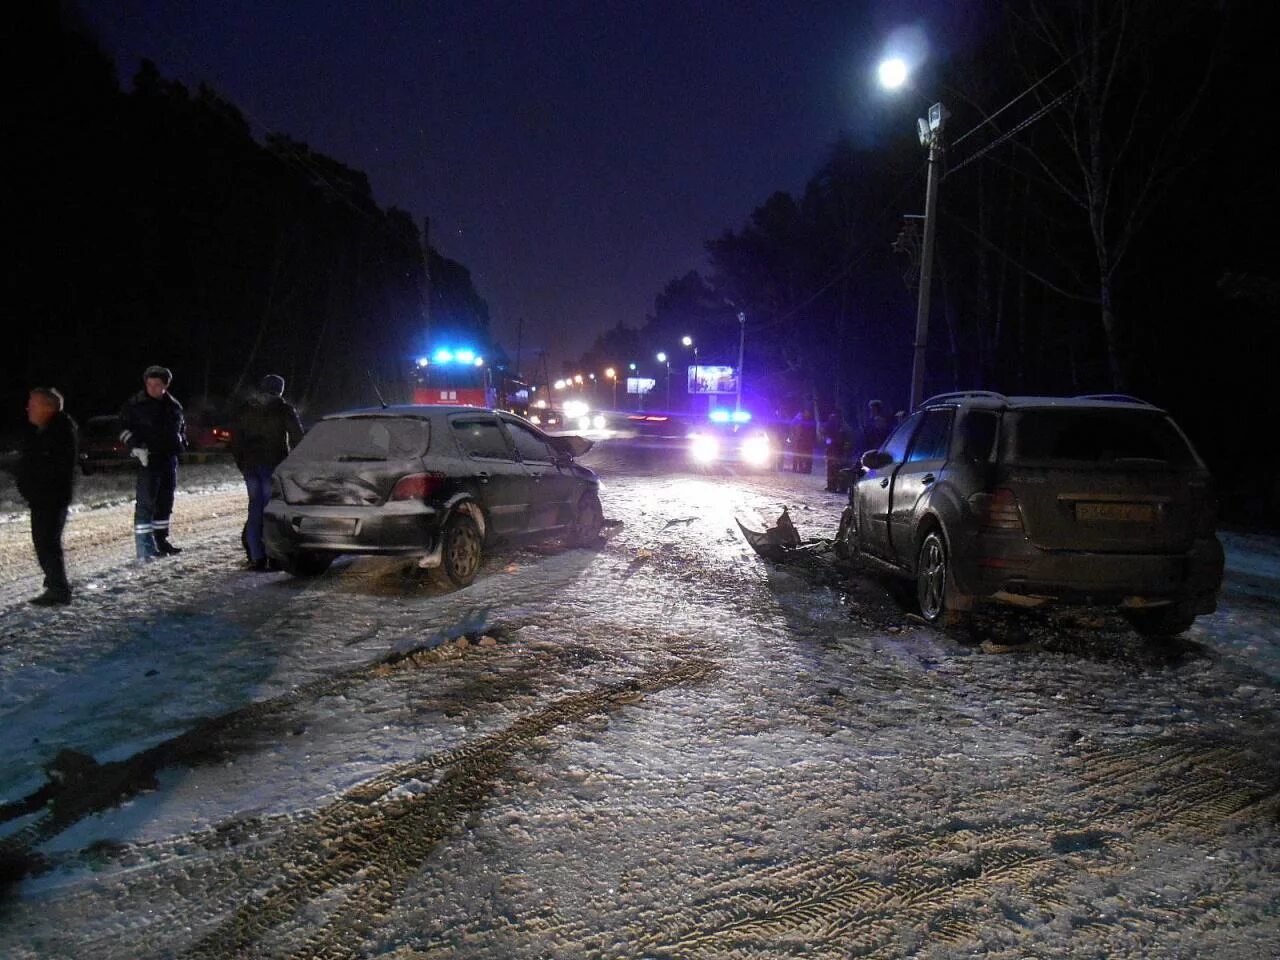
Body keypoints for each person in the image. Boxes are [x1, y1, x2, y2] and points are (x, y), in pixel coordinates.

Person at [231, 374, 304, 571]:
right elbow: (297, 437)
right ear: (280, 390)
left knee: (255, 508)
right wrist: (295, 463)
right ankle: (273, 556)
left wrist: (243, 464)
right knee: (271, 510)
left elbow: (236, 440)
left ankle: (256, 557)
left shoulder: (246, 408)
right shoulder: (283, 409)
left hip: (250, 466)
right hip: (272, 465)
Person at [17, 388, 78, 605]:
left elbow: (51, 467)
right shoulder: (46, 430)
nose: (28, 408)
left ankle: (58, 590)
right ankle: (54, 584)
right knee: (45, 543)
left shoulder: (58, 432)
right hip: (43, 497)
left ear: (48, 407)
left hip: (50, 497)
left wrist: (34, 484)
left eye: (32, 404)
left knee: (47, 543)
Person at [119, 365, 187, 560]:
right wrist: (135, 446)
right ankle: (144, 548)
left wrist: (182, 441)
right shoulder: (135, 405)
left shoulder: (173, 405)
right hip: (148, 458)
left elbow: (181, 428)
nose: (152, 388)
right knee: (146, 504)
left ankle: (161, 541)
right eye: (149, 384)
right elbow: (122, 428)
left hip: (168, 458)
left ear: (165, 385)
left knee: (165, 503)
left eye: (157, 385)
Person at [822, 409, 852, 492]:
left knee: (838, 468)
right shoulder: (836, 424)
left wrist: (846, 447)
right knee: (833, 468)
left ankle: (839, 487)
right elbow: (825, 433)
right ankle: (833, 486)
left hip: (839, 450)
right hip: (834, 449)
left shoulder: (843, 426)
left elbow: (847, 438)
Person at [790, 409, 816, 474]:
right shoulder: (801, 420)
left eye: (808, 412)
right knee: (800, 455)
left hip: (807, 441)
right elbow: (796, 429)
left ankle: (807, 469)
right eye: (806, 412)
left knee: (807, 456)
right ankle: (800, 468)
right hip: (802, 440)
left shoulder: (810, 421)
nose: (807, 414)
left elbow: (813, 432)